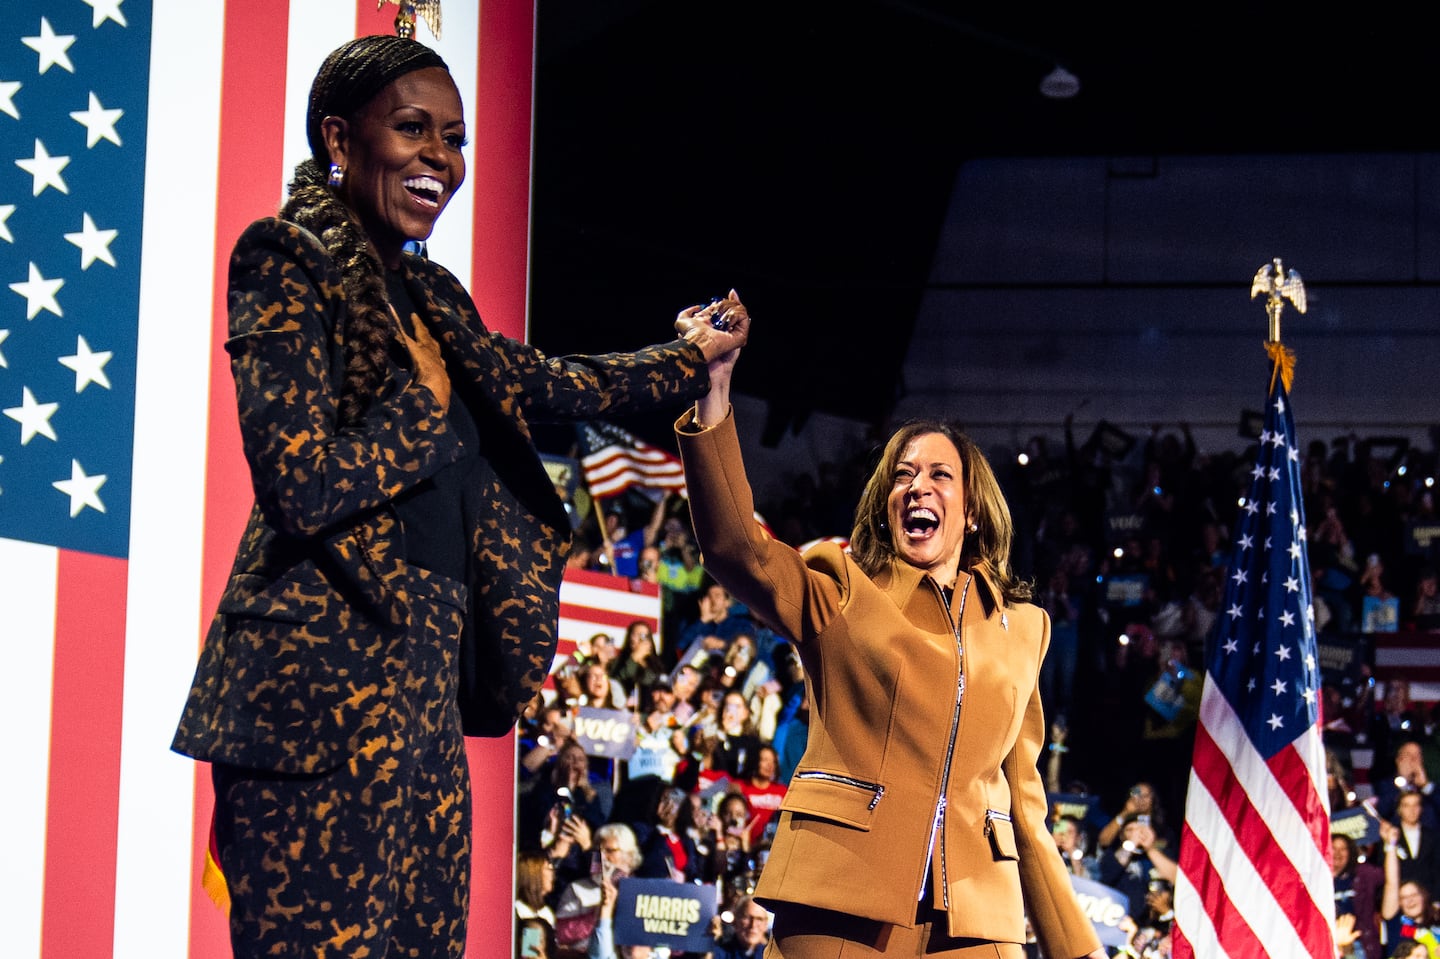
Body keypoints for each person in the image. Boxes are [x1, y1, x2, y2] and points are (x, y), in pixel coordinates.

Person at [169, 34, 745, 957]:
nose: (442, 157)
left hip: (427, 697)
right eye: (413, 130)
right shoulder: (284, 257)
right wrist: (419, 409)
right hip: (314, 709)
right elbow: (298, 481)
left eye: (457, 137)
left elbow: (550, 381)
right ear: (339, 138)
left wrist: (690, 356)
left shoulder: (433, 295)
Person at [671, 314, 1104, 957]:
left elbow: (1023, 802)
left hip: (975, 921)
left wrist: (1078, 947)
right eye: (902, 475)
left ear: (973, 512)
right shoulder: (840, 588)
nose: (917, 487)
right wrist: (713, 389)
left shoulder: (1023, 629)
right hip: (839, 899)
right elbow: (736, 547)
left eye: (938, 475)